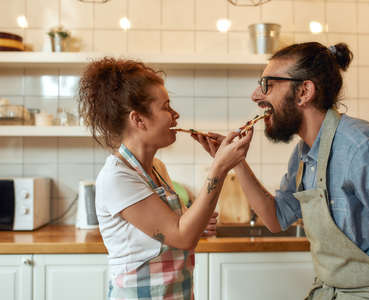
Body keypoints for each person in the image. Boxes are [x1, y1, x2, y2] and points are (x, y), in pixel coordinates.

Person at [194, 42, 369, 300]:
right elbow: (276, 219)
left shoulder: (362, 147)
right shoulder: (303, 154)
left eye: (267, 85)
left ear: (304, 91)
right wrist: (236, 162)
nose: (256, 95)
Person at [78, 57, 253, 300]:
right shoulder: (118, 177)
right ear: (138, 119)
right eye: (166, 107)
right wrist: (219, 167)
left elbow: (177, 227)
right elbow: (182, 236)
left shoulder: (156, 167)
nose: (175, 114)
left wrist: (199, 222)